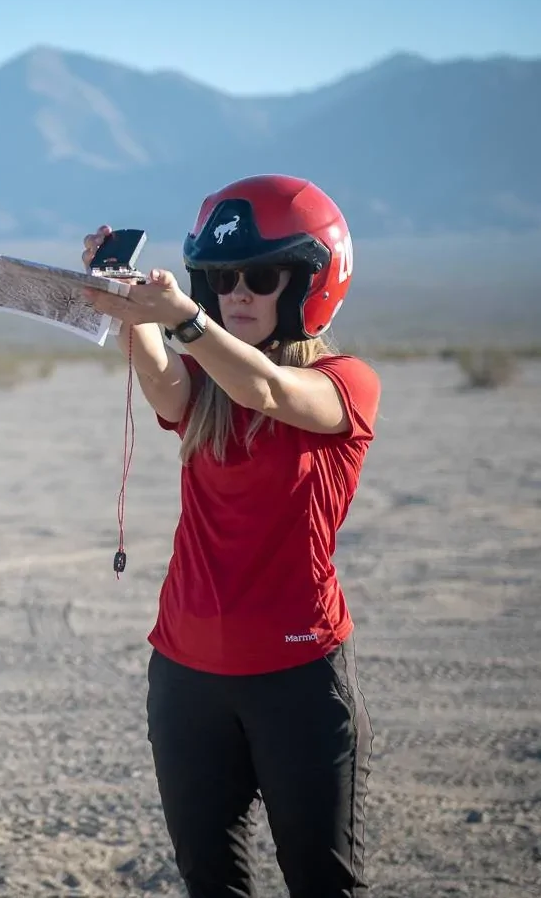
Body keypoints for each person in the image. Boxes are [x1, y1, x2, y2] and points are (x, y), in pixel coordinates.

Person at [80, 173, 379, 898]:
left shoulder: (345, 382)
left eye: (260, 276)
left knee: (323, 884)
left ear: (309, 283)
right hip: (185, 675)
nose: (238, 292)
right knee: (210, 882)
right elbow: (165, 384)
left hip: (297, 674)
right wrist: (131, 310)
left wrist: (184, 317)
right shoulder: (209, 381)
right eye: (222, 278)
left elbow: (267, 389)